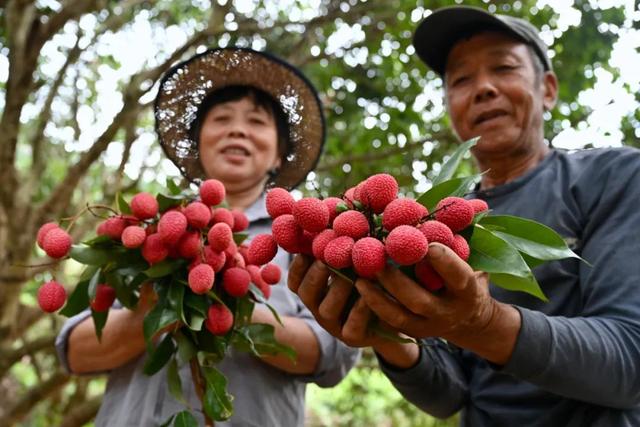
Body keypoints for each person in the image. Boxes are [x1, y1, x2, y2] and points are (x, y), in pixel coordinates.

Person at [288, 5, 640, 426]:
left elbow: (630, 361)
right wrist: (388, 333)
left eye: (504, 68)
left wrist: (483, 322)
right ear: (449, 105)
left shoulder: (614, 176)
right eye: (461, 79)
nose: (483, 88)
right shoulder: (436, 224)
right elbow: (451, 396)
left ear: (547, 89)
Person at [56, 47, 360, 426]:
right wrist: (155, 311)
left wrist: (236, 306)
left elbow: (334, 354)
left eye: (256, 121)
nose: (238, 129)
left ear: (279, 155)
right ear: (199, 143)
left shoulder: (307, 239)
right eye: (221, 118)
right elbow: (73, 351)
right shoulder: (150, 229)